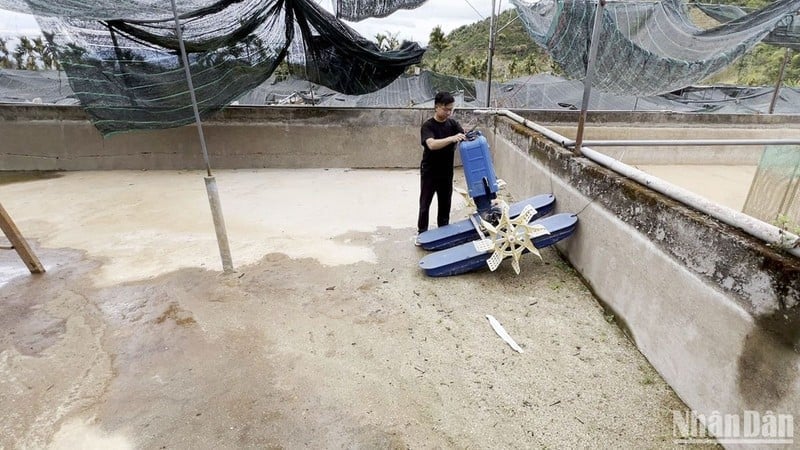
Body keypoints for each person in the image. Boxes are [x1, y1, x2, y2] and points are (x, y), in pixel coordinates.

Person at [416, 91, 466, 244]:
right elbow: (431, 144)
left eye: (451, 109)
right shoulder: (428, 125)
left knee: (445, 204)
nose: (449, 112)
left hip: (446, 171)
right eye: (446, 109)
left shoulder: (453, 124)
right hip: (430, 171)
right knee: (425, 203)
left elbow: (463, 134)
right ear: (437, 107)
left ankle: (443, 234)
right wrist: (452, 138)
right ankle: (422, 233)